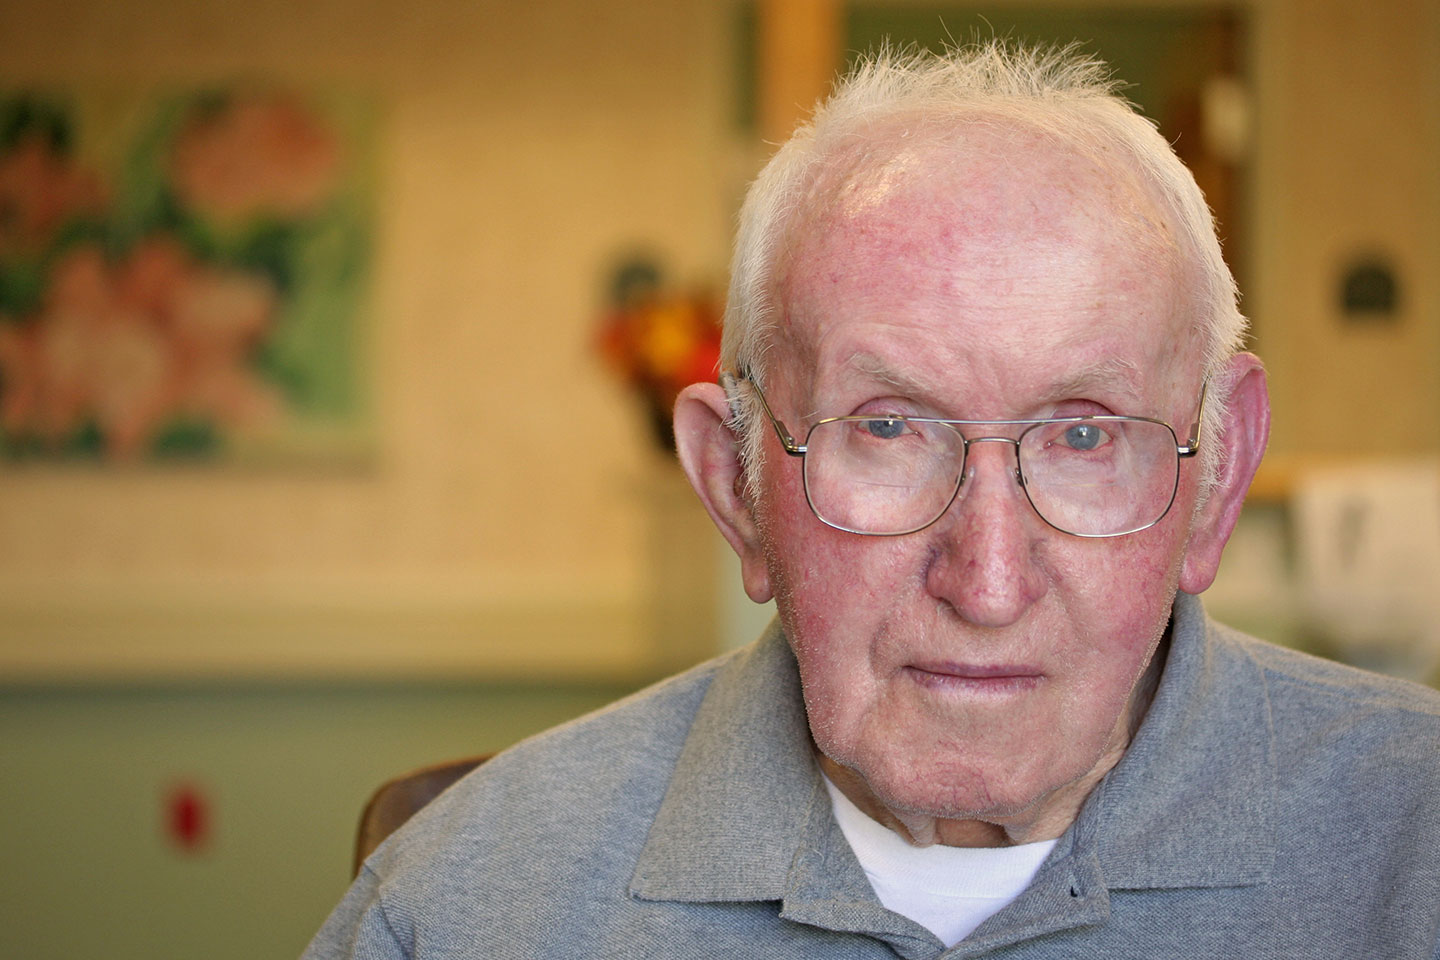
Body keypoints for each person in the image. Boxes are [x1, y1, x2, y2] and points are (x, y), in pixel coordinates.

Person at [303, 43, 1440, 959]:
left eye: (1085, 433)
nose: (988, 583)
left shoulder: (1415, 848)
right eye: (888, 428)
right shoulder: (459, 910)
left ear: (1219, 471)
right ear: (735, 486)